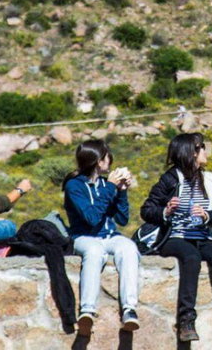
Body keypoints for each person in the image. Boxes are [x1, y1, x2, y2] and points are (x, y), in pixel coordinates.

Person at [140, 134, 212, 347]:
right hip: (174, 236)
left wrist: (207, 215)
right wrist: (166, 211)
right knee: (191, 257)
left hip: (203, 236)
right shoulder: (170, 179)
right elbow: (147, 210)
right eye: (201, 147)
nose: (205, 150)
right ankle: (186, 320)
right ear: (191, 152)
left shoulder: (209, 181)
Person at [63, 139, 140, 335]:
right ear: (98, 161)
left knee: (129, 248)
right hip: (84, 236)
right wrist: (110, 188)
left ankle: (129, 309)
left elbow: (122, 219)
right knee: (94, 252)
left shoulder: (106, 185)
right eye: (107, 157)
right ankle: (87, 310)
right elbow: (91, 217)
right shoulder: (74, 186)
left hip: (109, 235)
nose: (110, 161)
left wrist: (121, 192)